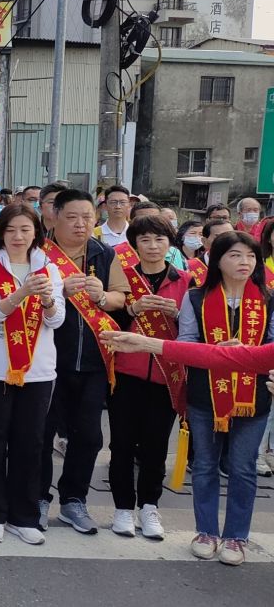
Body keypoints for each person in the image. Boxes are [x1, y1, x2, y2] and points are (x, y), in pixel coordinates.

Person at [110, 231, 274, 565]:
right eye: (235, 255)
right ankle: (206, 531)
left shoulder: (269, 298)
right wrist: (217, 352)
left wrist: (247, 355)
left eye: (251, 256)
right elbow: (184, 343)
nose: (244, 262)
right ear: (218, 260)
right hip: (204, 394)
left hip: (252, 396)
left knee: (242, 468)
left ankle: (236, 537)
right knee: (204, 466)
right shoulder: (197, 298)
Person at [0, 203, 65, 544]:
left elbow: (57, 321)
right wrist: (22, 293)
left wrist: (47, 303)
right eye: (11, 230)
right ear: (1, 233)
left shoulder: (50, 270)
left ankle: (23, 516)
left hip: (38, 371)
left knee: (31, 443)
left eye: (25, 229)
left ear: (36, 234)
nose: (18, 236)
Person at [39, 189, 128, 534]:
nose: (80, 224)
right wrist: (59, 293)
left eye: (87, 217)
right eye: (72, 217)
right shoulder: (38, 253)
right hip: (46, 360)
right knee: (41, 433)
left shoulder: (104, 254)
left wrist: (102, 296)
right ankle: (37, 498)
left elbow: (121, 297)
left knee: (89, 435)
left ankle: (73, 500)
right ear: (55, 216)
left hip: (93, 361)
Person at [107, 215, 191, 540]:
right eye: (145, 240)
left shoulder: (187, 282)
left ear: (169, 243)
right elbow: (106, 322)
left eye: (159, 239)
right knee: (122, 444)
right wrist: (131, 310)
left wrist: (177, 313)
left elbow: (196, 333)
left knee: (156, 447)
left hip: (166, 377)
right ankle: (123, 508)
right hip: (125, 375)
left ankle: (150, 507)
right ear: (135, 244)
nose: (153, 246)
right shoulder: (123, 280)